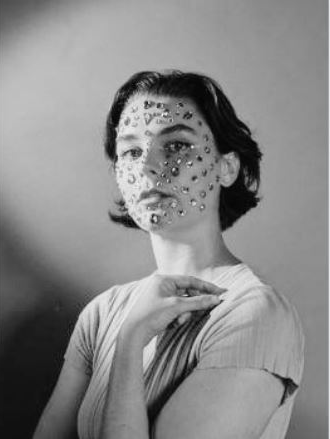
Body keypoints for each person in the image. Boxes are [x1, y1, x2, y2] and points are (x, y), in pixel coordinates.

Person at [32, 71, 303, 439]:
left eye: (175, 146)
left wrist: (129, 343)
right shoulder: (102, 313)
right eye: (130, 151)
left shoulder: (255, 314)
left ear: (227, 167)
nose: (146, 168)